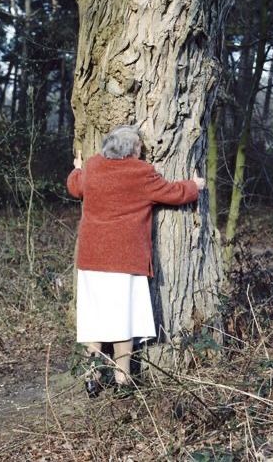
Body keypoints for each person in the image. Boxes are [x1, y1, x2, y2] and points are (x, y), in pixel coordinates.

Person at [66, 124, 205, 397]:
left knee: (93, 317)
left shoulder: (93, 167)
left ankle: (91, 376)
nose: (142, 151)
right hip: (124, 259)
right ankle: (122, 378)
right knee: (123, 319)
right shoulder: (141, 173)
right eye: (140, 147)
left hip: (93, 258)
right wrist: (195, 186)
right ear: (134, 150)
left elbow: (75, 187)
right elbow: (173, 193)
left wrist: (77, 167)